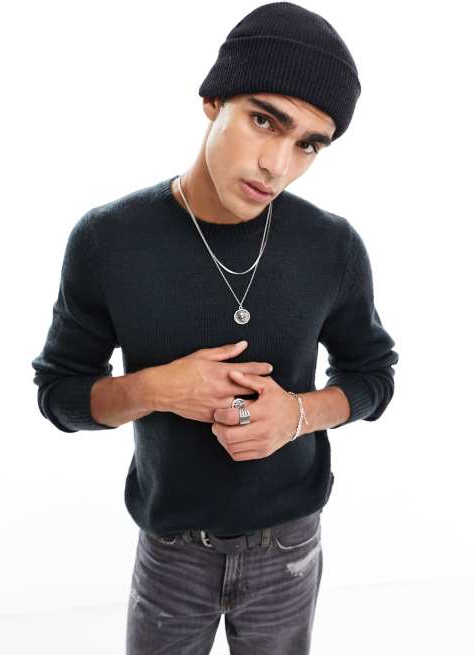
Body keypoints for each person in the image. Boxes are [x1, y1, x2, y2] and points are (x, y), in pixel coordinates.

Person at [31, 2, 399, 653]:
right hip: (171, 548)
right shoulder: (108, 239)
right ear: (213, 100)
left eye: (307, 144)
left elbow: (372, 375)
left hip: (289, 545)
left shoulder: (331, 246)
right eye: (264, 120)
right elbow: (59, 394)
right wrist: (156, 388)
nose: (277, 165)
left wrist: (296, 415)